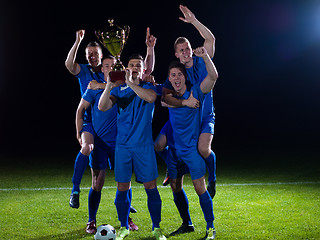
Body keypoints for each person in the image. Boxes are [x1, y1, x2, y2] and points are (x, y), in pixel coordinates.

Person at [65, 28, 156, 208]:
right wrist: (78, 131)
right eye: (89, 54)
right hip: (93, 125)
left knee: (124, 179)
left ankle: (126, 213)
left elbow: (144, 70)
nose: (93, 57)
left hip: (118, 134)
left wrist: (150, 49)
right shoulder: (86, 73)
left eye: (96, 54)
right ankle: (76, 191)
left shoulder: (116, 77)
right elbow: (70, 67)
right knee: (91, 161)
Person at [98, 55, 166, 240]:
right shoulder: (119, 91)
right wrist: (109, 86)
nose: (135, 67)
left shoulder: (148, 87)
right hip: (123, 147)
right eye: (131, 65)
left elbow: (151, 98)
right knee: (122, 187)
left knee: (151, 186)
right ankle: (123, 227)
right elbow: (102, 106)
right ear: (126, 68)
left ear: (143, 70)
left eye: (138, 65)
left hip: (143, 146)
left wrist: (131, 83)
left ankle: (156, 228)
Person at [156, 5, 217, 198]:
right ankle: (170, 166)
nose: (185, 52)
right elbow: (164, 97)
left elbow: (210, 39)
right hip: (183, 117)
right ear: (176, 54)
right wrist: (169, 100)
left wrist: (193, 21)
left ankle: (213, 178)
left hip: (204, 115)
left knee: (203, 149)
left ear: (191, 49)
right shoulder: (176, 73)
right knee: (157, 145)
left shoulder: (201, 60)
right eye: (181, 50)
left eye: (187, 48)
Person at [75, 57, 139, 234]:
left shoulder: (124, 87)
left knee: (125, 183)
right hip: (101, 143)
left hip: (120, 142)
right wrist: (79, 131)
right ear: (102, 69)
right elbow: (80, 109)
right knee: (97, 183)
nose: (110, 68)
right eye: (106, 66)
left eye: (113, 66)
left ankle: (126, 219)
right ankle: (91, 220)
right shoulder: (93, 88)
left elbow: (141, 75)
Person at [165, 47, 218, 239]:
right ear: (169, 79)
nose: (177, 78)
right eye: (173, 75)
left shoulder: (196, 91)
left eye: (180, 74)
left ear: (185, 77)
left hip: (191, 151)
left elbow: (213, 77)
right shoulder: (168, 97)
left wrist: (204, 57)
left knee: (199, 189)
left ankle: (210, 228)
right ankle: (187, 224)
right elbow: (157, 96)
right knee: (175, 187)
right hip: (174, 153)